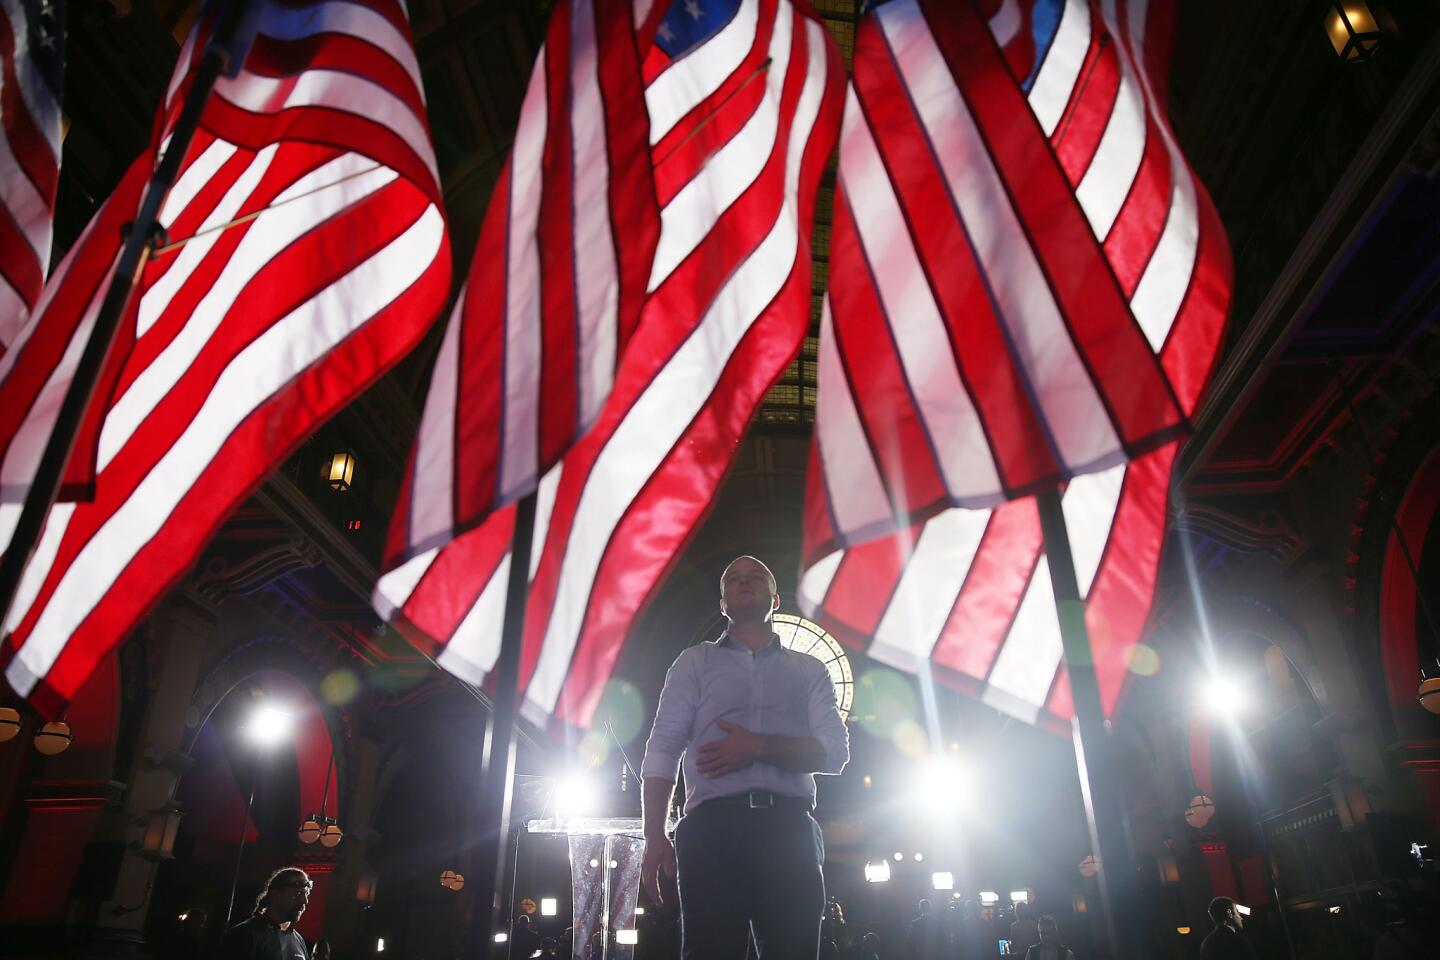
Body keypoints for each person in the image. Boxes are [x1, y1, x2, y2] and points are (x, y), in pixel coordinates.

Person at [638, 555, 851, 959]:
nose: (744, 581)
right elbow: (663, 745)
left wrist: (756, 745)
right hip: (711, 829)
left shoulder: (810, 670)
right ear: (722, 604)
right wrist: (653, 834)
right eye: (733, 578)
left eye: (755, 577)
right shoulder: (694, 663)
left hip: (788, 830)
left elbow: (836, 754)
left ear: (775, 599)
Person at [216, 867, 311, 960]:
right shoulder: (244, 935)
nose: (305, 901)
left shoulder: (299, 940)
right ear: (275, 894)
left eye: (306, 894)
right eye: (298, 894)